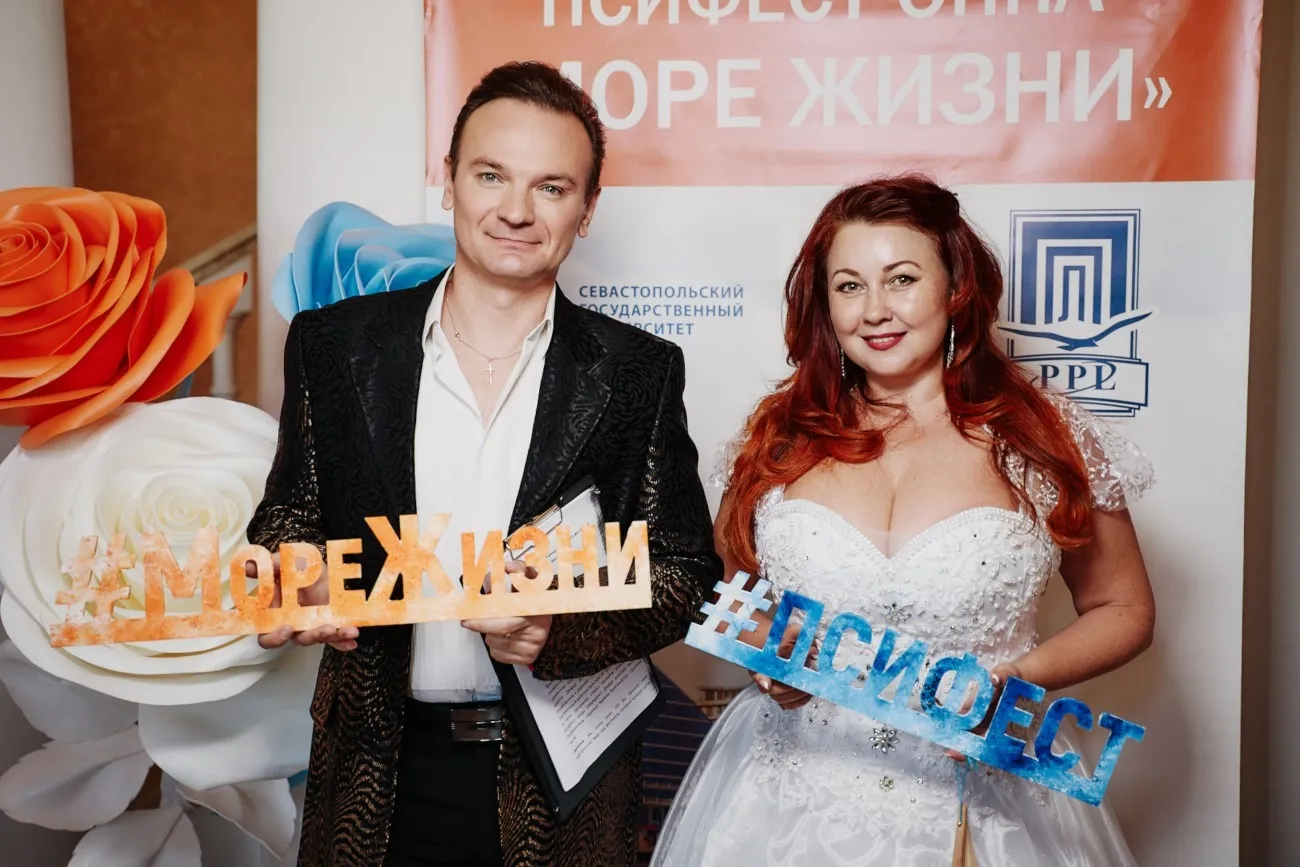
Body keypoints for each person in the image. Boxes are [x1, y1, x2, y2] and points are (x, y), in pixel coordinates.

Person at [246, 61, 721, 867]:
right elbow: (289, 514)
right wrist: (296, 572)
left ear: (587, 209)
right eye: (491, 175)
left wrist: (560, 627)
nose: (515, 210)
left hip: (561, 783)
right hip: (374, 768)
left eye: (551, 187)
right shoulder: (335, 345)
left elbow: (682, 573)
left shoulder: (638, 371)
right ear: (449, 180)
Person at [649, 175, 1156, 866]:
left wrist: (1018, 678)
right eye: (849, 286)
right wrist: (769, 659)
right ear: (825, 304)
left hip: (981, 796)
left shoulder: (1044, 438)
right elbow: (734, 593)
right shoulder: (777, 439)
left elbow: (1124, 605)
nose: (875, 310)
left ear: (956, 288)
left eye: (902, 279)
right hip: (789, 803)